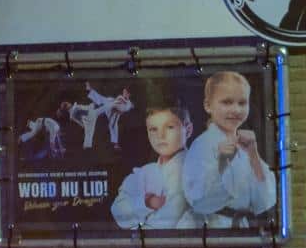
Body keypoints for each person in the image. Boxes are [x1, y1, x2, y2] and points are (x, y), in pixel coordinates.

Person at [182, 71, 276, 228]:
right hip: (210, 228)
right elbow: (199, 201)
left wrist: (254, 156)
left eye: (242, 103)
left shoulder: (245, 146)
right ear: (208, 105)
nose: (236, 110)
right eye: (227, 102)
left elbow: (264, 201)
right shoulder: (202, 144)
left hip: (240, 227)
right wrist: (222, 163)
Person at [111, 104, 196, 230]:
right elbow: (118, 211)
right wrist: (147, 202)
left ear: (188, 130)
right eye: (153, 129)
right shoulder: (144, 172)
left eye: (170, 127)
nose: (160, 136)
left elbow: (167, 222)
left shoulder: (195, 171)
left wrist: (136, 223)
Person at [86, 83, 134, 150]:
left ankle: (115, 144)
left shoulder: (128, 103)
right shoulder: (121, 97)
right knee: (104, 102)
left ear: (129, 94)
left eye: (125, 92)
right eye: (124, 91)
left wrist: (121, 109)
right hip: (111, 105)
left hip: (114, 113)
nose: (124, 93)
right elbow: (118, 104)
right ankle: (93, 111)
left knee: (114, 126)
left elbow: (124, 109)